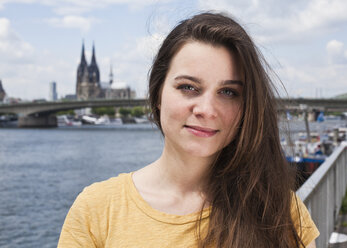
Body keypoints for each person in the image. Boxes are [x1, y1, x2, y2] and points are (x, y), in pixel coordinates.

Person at [58, 12, 319, 248]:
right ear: (157, 94)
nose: (206, 109)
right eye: (188, 87)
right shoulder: (96, 210)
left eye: (228, 92)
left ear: (247, 106)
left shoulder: (281, 212)